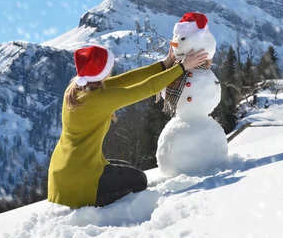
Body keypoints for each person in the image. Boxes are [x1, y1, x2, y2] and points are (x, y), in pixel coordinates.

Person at [47, 44, 208, 209]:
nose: (113, 68)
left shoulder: (77, 89)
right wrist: (182, 67)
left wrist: (165, 64)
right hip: (81, 179)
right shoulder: (100, 98)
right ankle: (98, 205)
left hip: (64, 172)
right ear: (101, 72)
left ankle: (90, 194)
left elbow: (126, 79)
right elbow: (148, 88)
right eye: (110, 66)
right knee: (139, 180)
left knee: (126, 167)